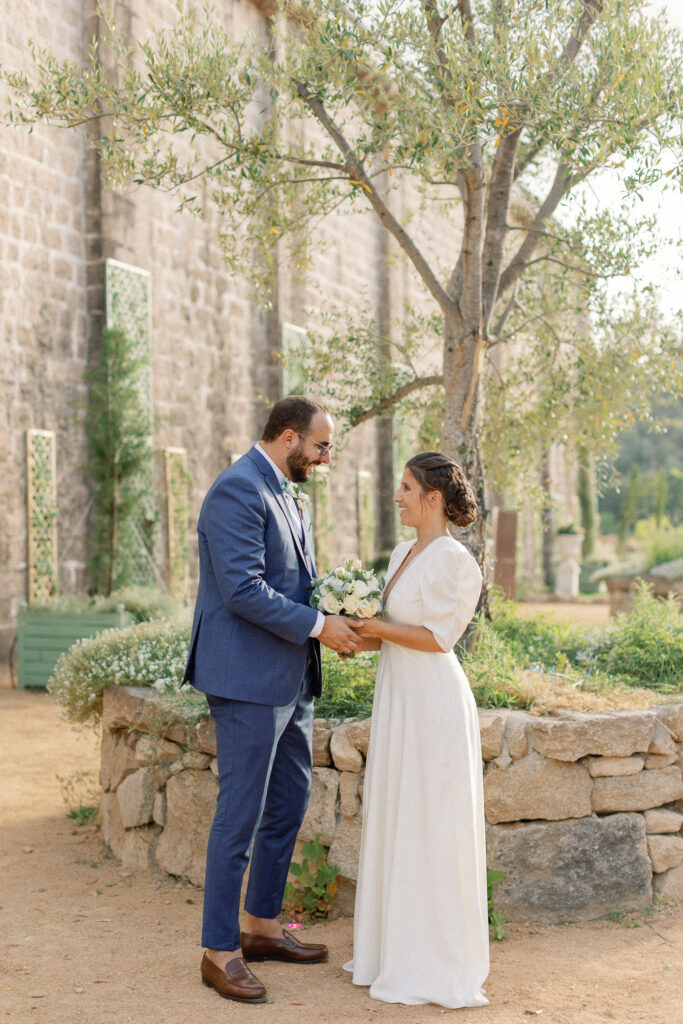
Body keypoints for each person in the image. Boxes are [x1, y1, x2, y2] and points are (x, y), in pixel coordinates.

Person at [183, 396, 360, 1004]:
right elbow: (242, 590)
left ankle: (259, 927)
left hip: (291, 678)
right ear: (289, 437)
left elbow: (294, 580)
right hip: (245, 681)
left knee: (287, 804)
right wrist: (319, 625)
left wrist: (339, 613)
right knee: (240, 815)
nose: (326, 456)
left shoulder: (286, 488)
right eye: (322, 445)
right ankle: (218, 951)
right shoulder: (238, 489)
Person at [344, 451, 489, 1008]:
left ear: (433, 498)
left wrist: (379, 626)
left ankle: (433, 961)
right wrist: (357, 633)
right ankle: (390, 951)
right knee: (399, 813)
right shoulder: (403, 552)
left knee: (431, 820)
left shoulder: (457, 562)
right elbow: (396, 630)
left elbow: (438, 638)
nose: (397, 496)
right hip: (398, 696)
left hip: (433, 702)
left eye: (405, 488)